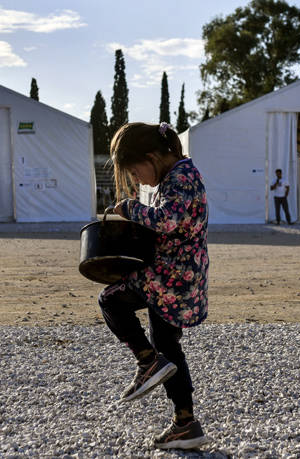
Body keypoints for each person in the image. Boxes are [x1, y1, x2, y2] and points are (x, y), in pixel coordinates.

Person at [99, 121, 210, 450]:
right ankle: (185, 424)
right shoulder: (182, 175)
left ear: (151, 157)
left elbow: (166, 220)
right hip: (184, 276)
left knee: (111, 300)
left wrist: (130, 208)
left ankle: (146, 361)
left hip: (170, 276)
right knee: (169, 348)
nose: (136, 179)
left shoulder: (179, 177)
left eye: (134, 172)